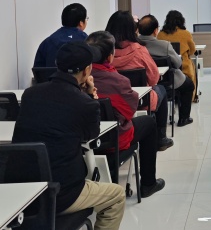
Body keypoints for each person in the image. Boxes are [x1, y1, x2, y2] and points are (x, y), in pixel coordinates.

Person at [13, 41, 126, 229]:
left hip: (23, 189)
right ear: (87, 70)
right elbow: (91, 136)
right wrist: (90, 96)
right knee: (116, 196)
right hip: (62, 193)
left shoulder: (30, 94)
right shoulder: (85, 103)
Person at [86, 31, 166, 197]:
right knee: (149, 122)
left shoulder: (80, 78)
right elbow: (130, 111)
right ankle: (148, 184)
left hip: (84, 141)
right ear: (110, 57)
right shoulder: (118, 81)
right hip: (114, 140)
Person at [106, 11, 173, 151]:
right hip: (140, 101)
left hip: (111, 103)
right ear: (133, 29)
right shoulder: (139, 50)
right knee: (161, 90)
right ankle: (160, 138)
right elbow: (153, 78)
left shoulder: (105, 51)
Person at [138, 14, 195, 127]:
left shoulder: (136, 45)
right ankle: (184, 118)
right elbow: (178, 63)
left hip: (143, 82)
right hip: (167, 81)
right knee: (189, 85)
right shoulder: (164, 45)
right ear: (155, 31)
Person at [157, 10, 199, 102]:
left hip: (165, 69)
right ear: (181, 20)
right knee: (192, 65)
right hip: (184, 67)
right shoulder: (186, 33)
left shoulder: (160, 34)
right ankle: (192, 96)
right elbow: (192, 50)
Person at [34, 3, 89, 67]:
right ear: (81, 23)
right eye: (86, 18)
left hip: (51, 74)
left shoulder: (47, 42)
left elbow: (37, 70)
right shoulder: (86, 40)